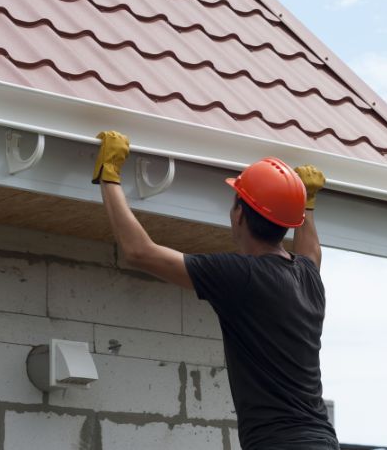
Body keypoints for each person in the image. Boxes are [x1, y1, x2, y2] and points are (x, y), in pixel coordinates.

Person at [93, 130, 339, 450]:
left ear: (239, 214)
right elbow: (311, 251)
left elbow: (140, 252)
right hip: (321, 439)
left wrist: (109, 175)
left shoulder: (242, 276)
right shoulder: (307, 277)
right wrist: (307, 203)